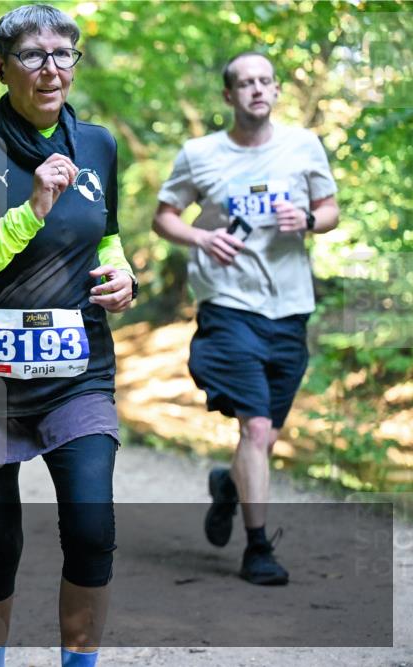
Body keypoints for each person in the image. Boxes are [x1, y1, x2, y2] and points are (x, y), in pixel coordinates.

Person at [0, 6, 136, 666]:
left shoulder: (97, 145)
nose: (52, 68)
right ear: (0, 66)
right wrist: (29, 213)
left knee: (92, 528)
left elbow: (105, 232)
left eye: (64, 54)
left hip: (77, 370)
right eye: (34, 55)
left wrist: (122, 273)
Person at [153, 51, 339, 585]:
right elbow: (164, 217)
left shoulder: (303, 146)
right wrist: (201, 236)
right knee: (254, 427)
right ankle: (258, 549)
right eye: (245, 83)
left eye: (265, 81)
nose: (257, 89)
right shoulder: (199, 154)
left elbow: (329, 210)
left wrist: (307, 218)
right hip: (228, 304)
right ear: (228, 96)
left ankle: (229, 487)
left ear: (277, 91)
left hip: (290, 307)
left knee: (266, 437)